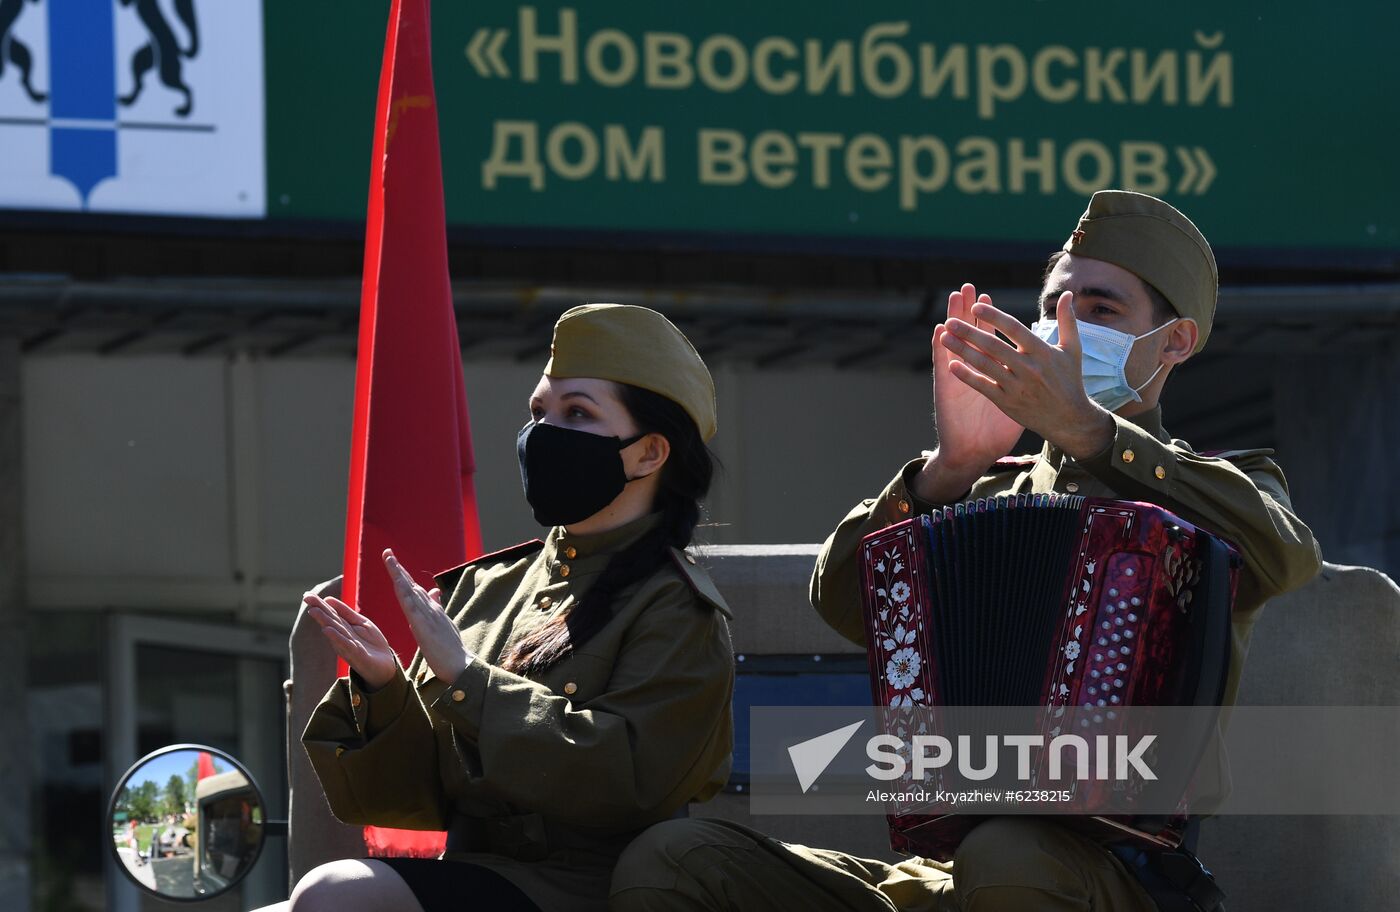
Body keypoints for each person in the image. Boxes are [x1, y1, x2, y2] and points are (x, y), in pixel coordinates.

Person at [609, 191, 1322, 912]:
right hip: (952, 873)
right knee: (674, 860)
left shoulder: (1215, 489)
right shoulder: (983, 491)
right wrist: (949, 465)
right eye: (1053, 305)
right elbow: (845, 603)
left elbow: (1287, 555)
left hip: (1113, 881)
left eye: (1101, 310)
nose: (1061, 330)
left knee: (1008, 856)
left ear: (1175, 341)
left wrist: (1095, 437)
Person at [285, 304, 735, 912]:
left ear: (650, 454)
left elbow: (631, 780)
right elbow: (412, 798)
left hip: (591, 893)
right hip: (471, 877)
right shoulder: (490, 588)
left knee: (332, 895)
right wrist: (384, 688)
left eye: (577, 413)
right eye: (538, 412)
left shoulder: (678, 607)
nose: (544, 433)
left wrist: (468, 682)